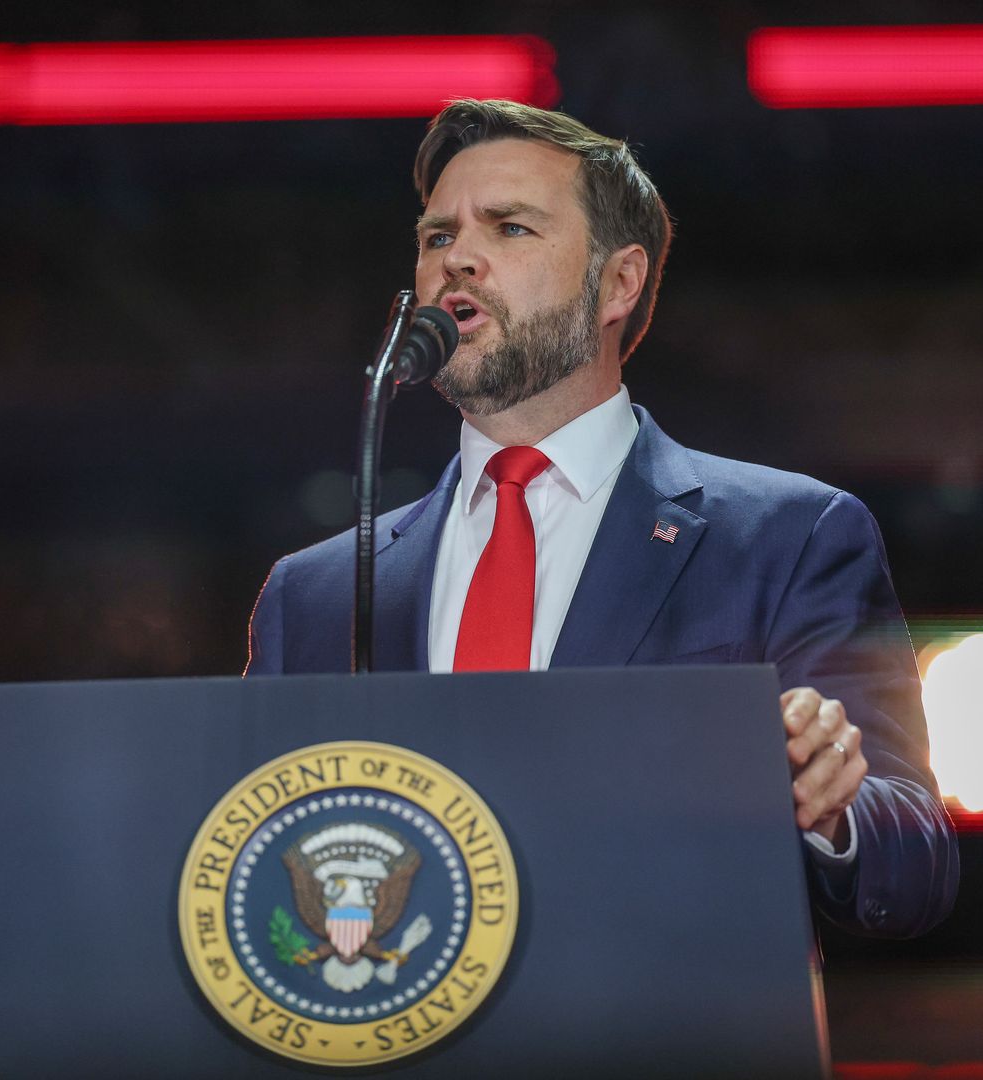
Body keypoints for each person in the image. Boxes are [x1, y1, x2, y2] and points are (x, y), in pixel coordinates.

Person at [245, 99, 959, 937]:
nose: (458, 261)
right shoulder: (315, 595)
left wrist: (831, 813)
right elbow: (259, 874)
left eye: (509, 229)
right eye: (438, 237)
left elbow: (915, 866)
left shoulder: (787, 537)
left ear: (619, 282)